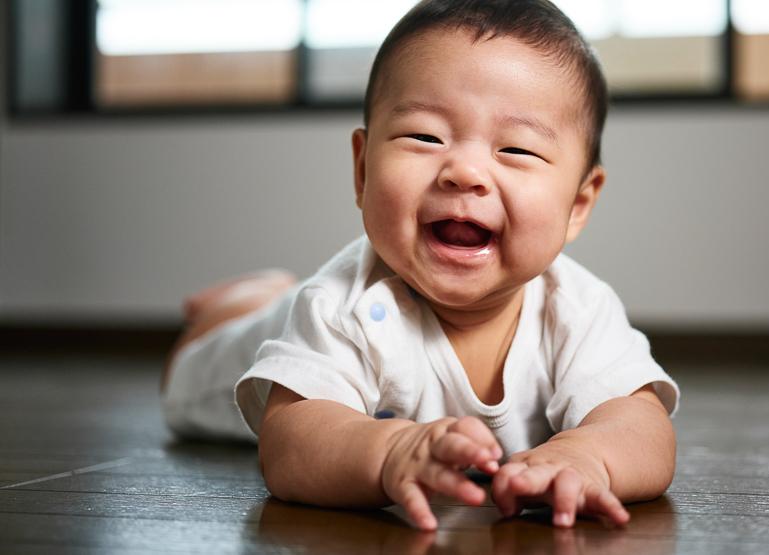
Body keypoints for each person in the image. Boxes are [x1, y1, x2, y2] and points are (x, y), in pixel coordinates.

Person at [162, 0, 679, 532]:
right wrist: (390, 451)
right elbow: (290, 441)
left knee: (288, 298)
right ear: (363, 170)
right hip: (234, 362)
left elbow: (641, 424)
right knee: (191, 364)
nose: (465, 171)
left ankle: (271, 290)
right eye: (425, 136)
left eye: (517, 149)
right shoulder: (341, 305)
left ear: (578, 204)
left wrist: (587, 455)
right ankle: (241, 302)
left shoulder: (578, 309)